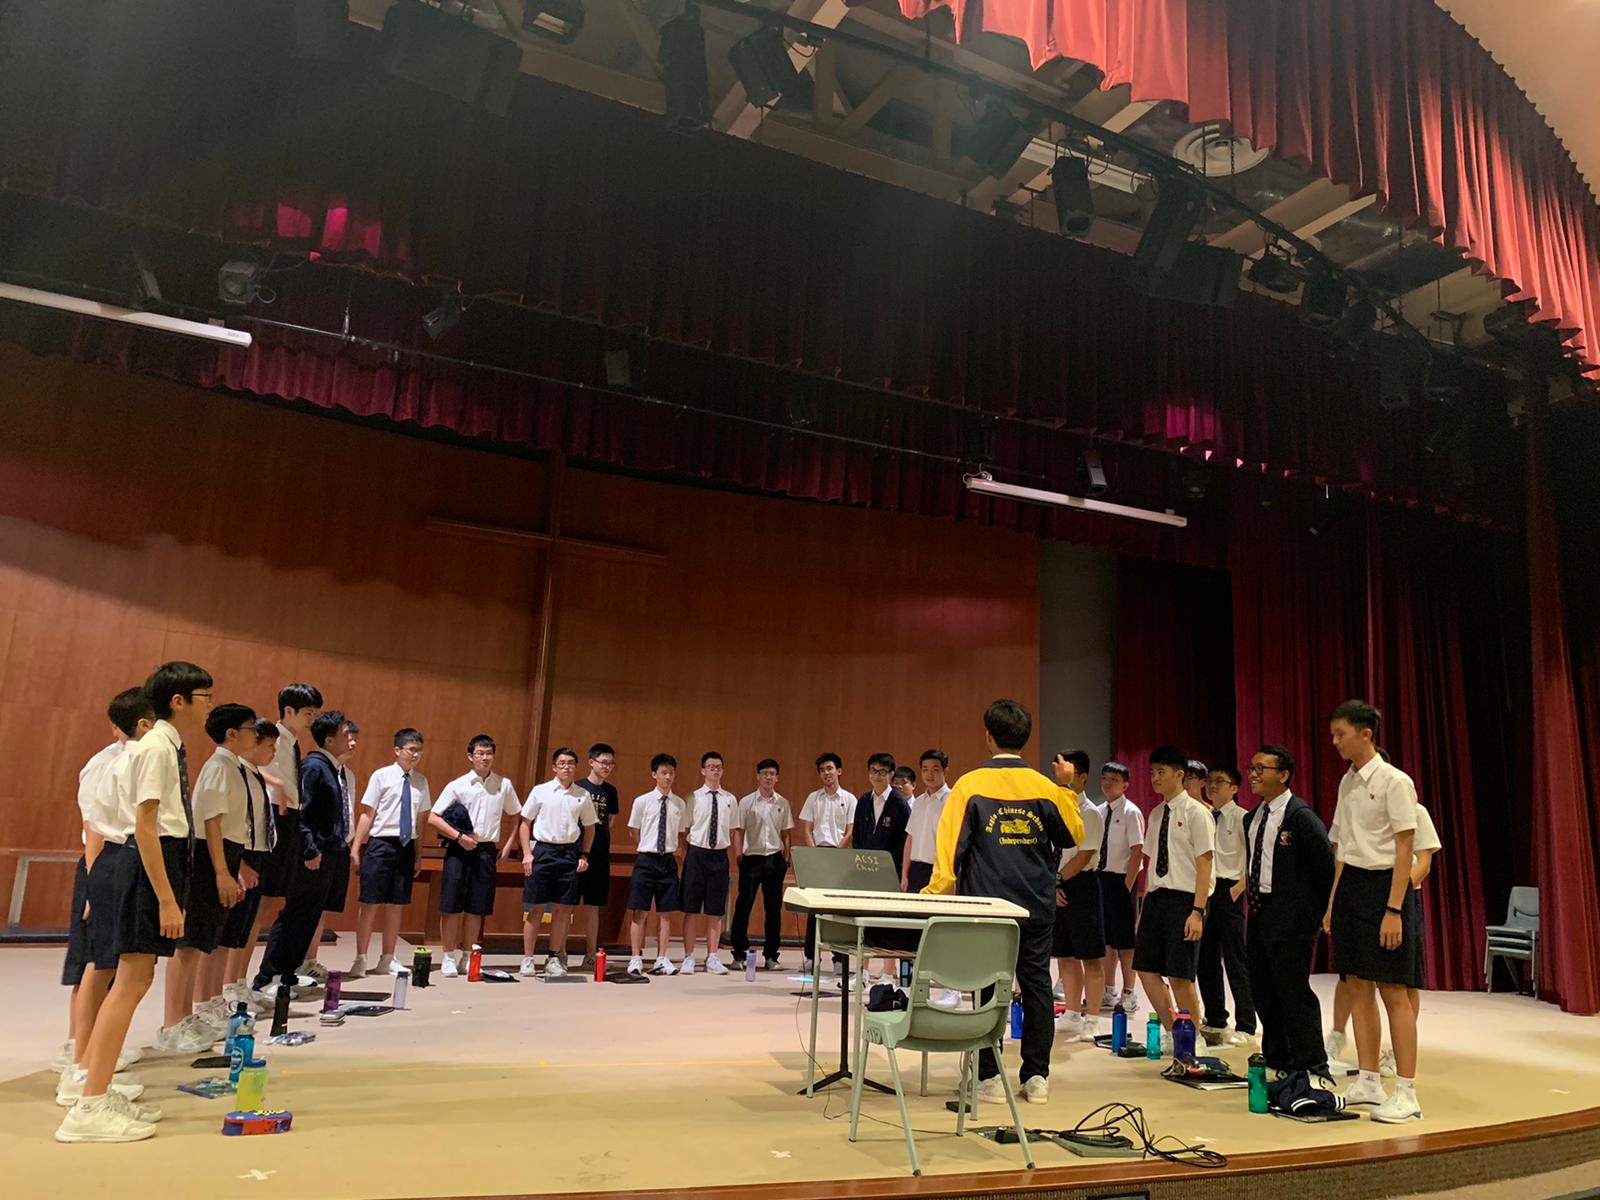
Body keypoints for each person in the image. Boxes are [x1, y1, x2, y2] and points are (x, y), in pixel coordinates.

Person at [57, 660, 213, 1144]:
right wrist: (167, 899)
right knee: (129, 981)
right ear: (178, 701)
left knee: (132, 979)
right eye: (204, 697)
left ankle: (95, 1089)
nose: (209, 706)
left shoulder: (165, 744)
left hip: (154, 859)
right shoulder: (156, 747)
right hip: (145, 862)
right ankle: (89, 1103)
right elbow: (146, 827)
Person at [922, 699, 1083, 1104]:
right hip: (1035, 906)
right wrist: (1066, 787)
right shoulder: (1045, 788)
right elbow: (1073, 834)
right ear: (1024, 739)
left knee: (987, 988)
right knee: (1037, 987)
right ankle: (1037, 1077)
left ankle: (989, 1077)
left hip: (987, 910)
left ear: (988, 736)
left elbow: (950, 847)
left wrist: (935, 893)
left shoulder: (969, 785)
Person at [1324, 700, 1424, 1122]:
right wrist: (1333, 902)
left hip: (1386, 887)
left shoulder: (1395, 781)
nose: (1335, 742)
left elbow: (1405, 847)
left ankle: (1407, 1091)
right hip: (1352, 887)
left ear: (1366, 734)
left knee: (1393, 990)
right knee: (1357, 984)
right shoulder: (1347, 782)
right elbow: (1343, 849)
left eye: (1341, 734)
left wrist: (1394, 909)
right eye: (1333, 734)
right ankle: (1367, 1078)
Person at [56, 688, 154, 1079]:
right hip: (102, 863)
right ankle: (78, 1050)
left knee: (110, 962)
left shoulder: (140, 757)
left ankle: (95, 1045)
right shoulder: (107, 763)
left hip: (118, 864)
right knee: (94, 961)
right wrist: (95, 887)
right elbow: (94, 826)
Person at [1325, 751, 1441, 1078]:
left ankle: (1397, 1057)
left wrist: (1394, 897)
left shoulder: (1413, 807)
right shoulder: (1349, 792)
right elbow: (1343, 852)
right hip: (1361, 894)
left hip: (1398, 899)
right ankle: (1344, 1043)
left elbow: (1423, 861)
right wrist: (1335, 902)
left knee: (1400, 982)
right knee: (1353, 978)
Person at [161, 704, 257, 1051]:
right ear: (231, 733)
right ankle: (173, 1023)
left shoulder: (233, 766)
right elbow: (211, 822)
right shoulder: (219, 766)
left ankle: (186, 1017)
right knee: (189, 944)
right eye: (250, 728)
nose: (255, 734)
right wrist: (221, 872)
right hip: (209, 856)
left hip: (227, 852)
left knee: (203, 941)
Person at [1244, 744, 1334, 1077]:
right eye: (1252, 768)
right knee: (1263, 988)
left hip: (1292, 917)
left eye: (1261, 769)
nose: (1253, 775)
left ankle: (1312, 1063)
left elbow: (1325, 868)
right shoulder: (1253, 817)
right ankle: (1278, 1058)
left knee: (1293, 990)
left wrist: (1316, 914)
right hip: (1259, 912)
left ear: (1283, 775)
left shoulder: (1301, 817)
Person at [251, 711, 354, 996]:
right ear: (329, 739)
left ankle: (288, 972)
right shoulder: (314, 766)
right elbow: (302, 813)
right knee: (295, 913)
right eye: (346, 735)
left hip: (331, 853)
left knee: (309, 915)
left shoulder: (335, 769)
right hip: (313, 853)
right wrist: (310, 848)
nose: (352, 740)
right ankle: (267, 976)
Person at [1133, 745, 1215, 1056]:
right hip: (1157, 898)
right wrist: (1143, 909)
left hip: (1185, 899)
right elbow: (1151, 863)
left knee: (1180, 975)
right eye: (1152, 772)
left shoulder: (1197, 813)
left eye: (1161, 772)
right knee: (1146, 969)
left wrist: (1198, 911)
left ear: (1179, 775)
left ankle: (1195, 1036)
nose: (1155, 777)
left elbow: (1205, 864)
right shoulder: (1155, 814)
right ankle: (1172, 1030)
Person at [428, 734, 520, 976]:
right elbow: (433, 817)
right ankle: (448, 956)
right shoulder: (458, 785)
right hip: (459, 849)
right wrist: (459, 837)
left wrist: (508, 845)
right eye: (480, 753)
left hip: (486, 850)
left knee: (476, 906)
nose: (485, 758)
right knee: (451, 905)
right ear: (470, 756)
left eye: (489, 753)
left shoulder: (503, 784)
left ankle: (468, 956)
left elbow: (516, 816)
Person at [254, 684, 322, 982]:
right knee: (262, 899)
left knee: (274, 898)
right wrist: (276, 784)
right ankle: (248, 980)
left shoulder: (292, 742)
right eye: (308, 713)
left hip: (290, 817)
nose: (311, 720)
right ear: (289, 711)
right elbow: (247, 763)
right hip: (274, 814)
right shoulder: (273, 736)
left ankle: (266, 976)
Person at [350, 728, 429, 978]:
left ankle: (387, 958)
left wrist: (418, 855)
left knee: (396, 904)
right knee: (370, 903)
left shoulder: (421, 781)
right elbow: (367, 814)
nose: (416, 754)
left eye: (419, 750)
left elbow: (421, 821)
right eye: (411, 749)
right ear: (397, 750)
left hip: (406, 846)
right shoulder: (381, 776)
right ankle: (361, 957)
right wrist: (356, 846)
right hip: (381, 843)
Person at [514, 746, 598, 977]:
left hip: (569, 854)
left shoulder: (583, 795)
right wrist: (527, 854)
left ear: (576, 767)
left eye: (571, 763)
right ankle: (528, 959)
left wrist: (584, 855)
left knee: (563, 910)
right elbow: (525, 823)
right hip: (543, 852)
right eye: (562, 763)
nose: (566, 767)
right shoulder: (540, 791)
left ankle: (554, 957)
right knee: (536, 908)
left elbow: (590, 827)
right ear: (554, 767)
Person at [220, 719, 279, 1012]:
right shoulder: (237, 772)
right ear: (252, 743)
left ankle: (239, 982)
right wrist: (241, 863)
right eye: (269, 745)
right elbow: (229, 823)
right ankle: (228, 988)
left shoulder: (255, 774)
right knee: (232, 928)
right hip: (241, 855)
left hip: (259, 853)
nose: (274, 752)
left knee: (250, 923)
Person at [1197, 765, 1256, 1046]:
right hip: (1206, 889)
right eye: (1210, 781)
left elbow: (1254, 858)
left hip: (1230, 889)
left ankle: (1246, 1023)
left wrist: (1237, 889)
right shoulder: (1204, 816)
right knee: (1205, 957)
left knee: (1235, 958)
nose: (1212, 785)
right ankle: (1216, 1018)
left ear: (1234, 788)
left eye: (1219, 781)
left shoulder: (1243, 818)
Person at [1050, 750, 1106, 1043]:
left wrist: (1058, 879)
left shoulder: (1090, 812)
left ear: (1082, 777)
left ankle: (1092, 1017)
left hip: (1082, 883)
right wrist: (1053, 884)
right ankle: (1072, 1012)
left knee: (1090, 956)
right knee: (1065, 954)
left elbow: (1085, 855)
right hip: (1057, 883)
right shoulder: (1054, 806)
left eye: (1068, 773)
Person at [625, 754, 686, 976]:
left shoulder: (679, 803)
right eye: (663, 773)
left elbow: (681, 832)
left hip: (667, 860)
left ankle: (662, 957)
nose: (668, 777)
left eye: (671, 773)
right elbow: (634, 830)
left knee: (666, 913)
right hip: (646, 859)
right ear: (654, 774)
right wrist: (646, 845)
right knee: (639, 911)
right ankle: (635, 957)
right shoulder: (642, 801)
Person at [729, 758, 793, 971]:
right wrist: (739, 856)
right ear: (758, 776)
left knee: (773, 910)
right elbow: (738, 831)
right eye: (764, 773)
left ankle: (771, 955)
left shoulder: (782, 803)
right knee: (743, 906)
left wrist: (786, 858)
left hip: (774, 859)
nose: (768, 777)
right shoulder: (747, 802)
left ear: (777, 777)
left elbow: (786, 833)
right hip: (751, 859)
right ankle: (739, 954)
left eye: (772, 774)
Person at [680, 751, 737, 974]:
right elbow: (684, 830)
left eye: (718, 767)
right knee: (691, 908)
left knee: (715, 909)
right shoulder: (692, 798)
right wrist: (689, 853)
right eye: (711, 767)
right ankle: (688, 956)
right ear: (703, 770)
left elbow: (732, 830)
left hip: (719, 856)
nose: (715, 770)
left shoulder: (730, 799)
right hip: (696, 855)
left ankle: (713, 956)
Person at [1095, 761, 1144, 1014]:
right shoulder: (1099, 811)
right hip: (1101, 878)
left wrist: (1127, 886)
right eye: (1105, 778)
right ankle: (1108, 989)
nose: (1107, 783)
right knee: (1105, 939)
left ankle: (1129, 992)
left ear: (1125, 785)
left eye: (1114, 780)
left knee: (1125, 941)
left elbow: (1137, 850)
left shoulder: (1131, 812)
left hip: (1122, 880)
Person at [798, 752, 854, 975]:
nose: (826, 773)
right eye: (822, 770)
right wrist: (814, 855)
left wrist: (837, 855)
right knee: (814, 910)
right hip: (818, 855)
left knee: (838, 912)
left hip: (839, 857)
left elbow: (850, 831)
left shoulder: (849, 799)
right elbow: (807, 828)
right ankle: (811, 957)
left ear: (839, 771)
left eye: (829, 769)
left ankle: (839, 959)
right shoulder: (813, 798)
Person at [574, 743, 619, 971]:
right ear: (591, 762)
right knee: (566, 905)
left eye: (611, 764)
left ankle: (591, 954)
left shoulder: (611, 792)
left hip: (600, 855)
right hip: (576, 853)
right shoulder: (578, 787)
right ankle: (559, 953)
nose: (607, 767)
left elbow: (610, 820)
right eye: (603, 762)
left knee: (593, 906)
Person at [902, 750, 950, 894]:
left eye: (935, 769)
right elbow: (910, 839)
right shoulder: (918, 802)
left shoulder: (951, 801)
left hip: (939, 871)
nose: (929, 775)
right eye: (925, 769)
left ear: (945, 772)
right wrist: (904, 875)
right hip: (915, 870)